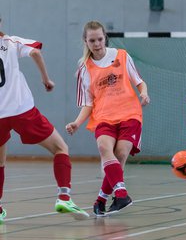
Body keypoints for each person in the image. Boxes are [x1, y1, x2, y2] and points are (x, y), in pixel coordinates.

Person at [0, 22, 89, 223]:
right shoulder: (11, 42)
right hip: (21, 110)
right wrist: (46, 80)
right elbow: (35, 53)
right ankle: (64, 197)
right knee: (60, 148)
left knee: (0, 163)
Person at [66, 21, 150, 217]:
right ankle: (121, 194)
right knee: (104, 148)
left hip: (130, 114)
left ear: (105, 38)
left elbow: (139, 81)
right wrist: (77, 123)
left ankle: (100, 200)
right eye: (92, 40)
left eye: (100, 39)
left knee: (120, 154)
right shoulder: (84, 69)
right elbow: (88, 103)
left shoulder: (121, 55)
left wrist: (144, 93)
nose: (97, 44)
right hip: (103, 117)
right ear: (85, 42)